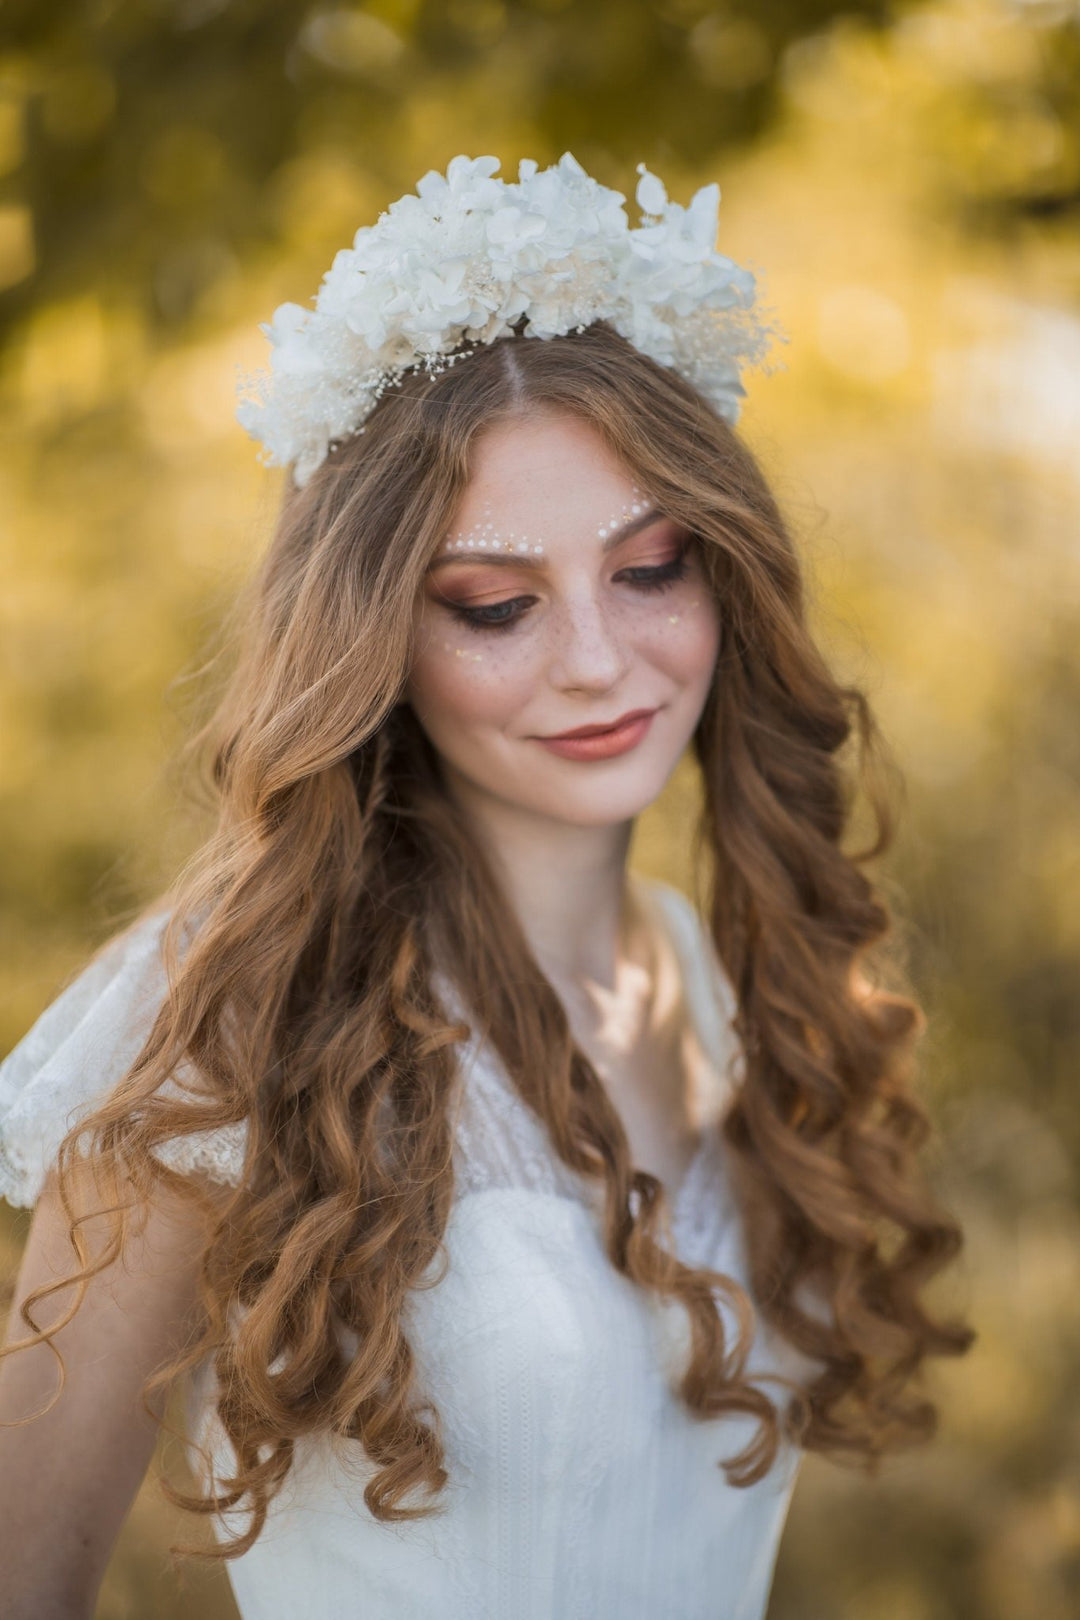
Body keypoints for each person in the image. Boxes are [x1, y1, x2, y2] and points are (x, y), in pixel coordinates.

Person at [0, 153, 975, 1619]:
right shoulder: (227, 1011)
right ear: (376, 635)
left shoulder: (716, 984)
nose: (598, 657)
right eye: (497, 605)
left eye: (653, 570)